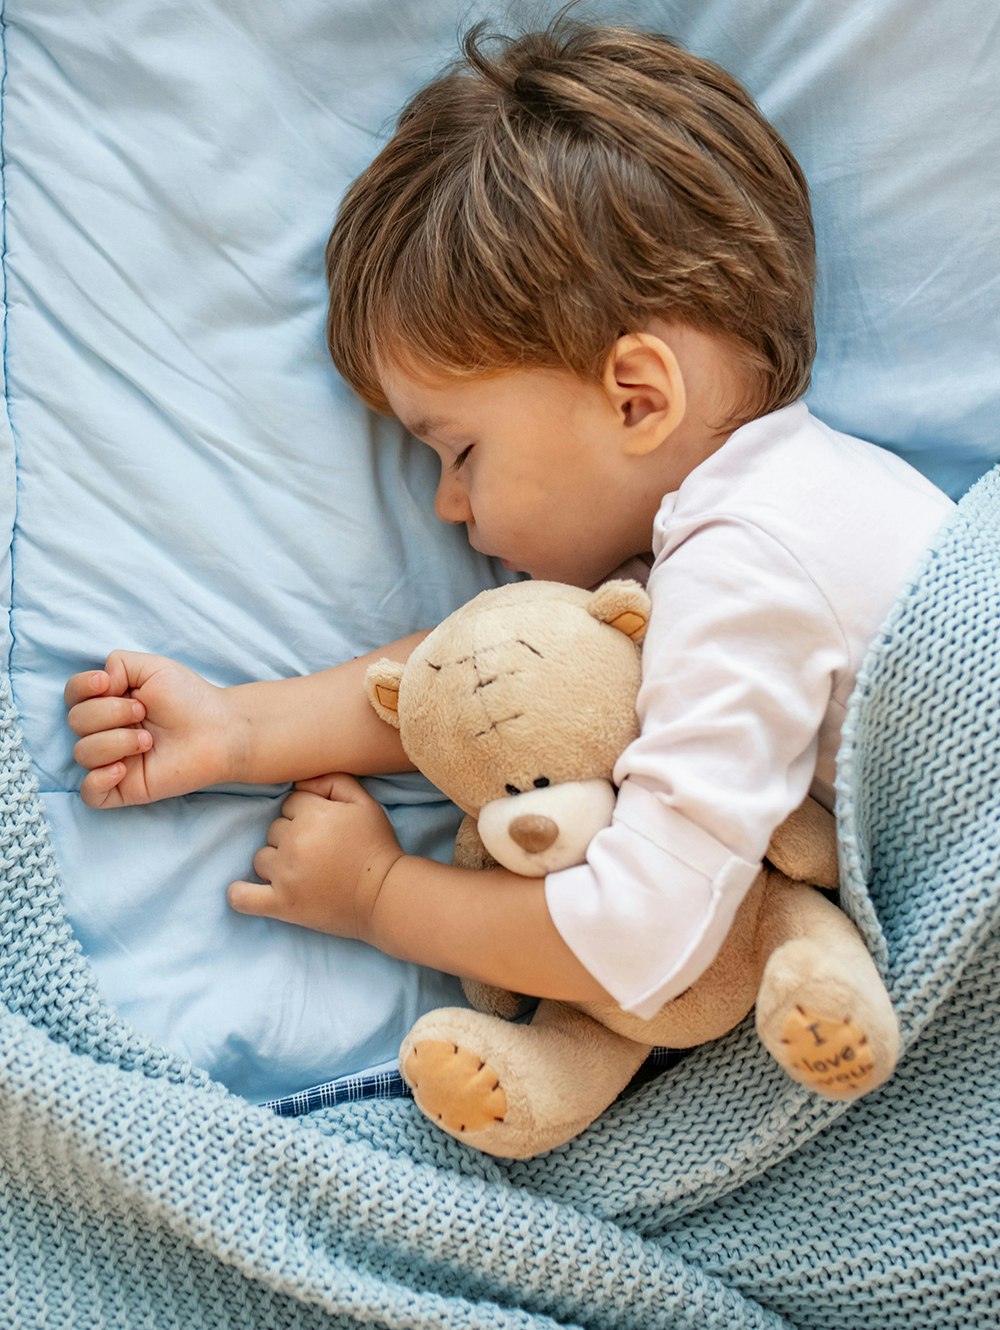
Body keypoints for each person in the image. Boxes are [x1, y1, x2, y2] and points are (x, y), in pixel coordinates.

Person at [64, 18, 953, 1018]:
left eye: (461, 452)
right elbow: (500, 681)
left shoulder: (747, 565)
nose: (449, 506)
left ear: (635, 399)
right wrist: (237, 731)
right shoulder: (788, 506)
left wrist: (378, 895)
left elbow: (641, 935)